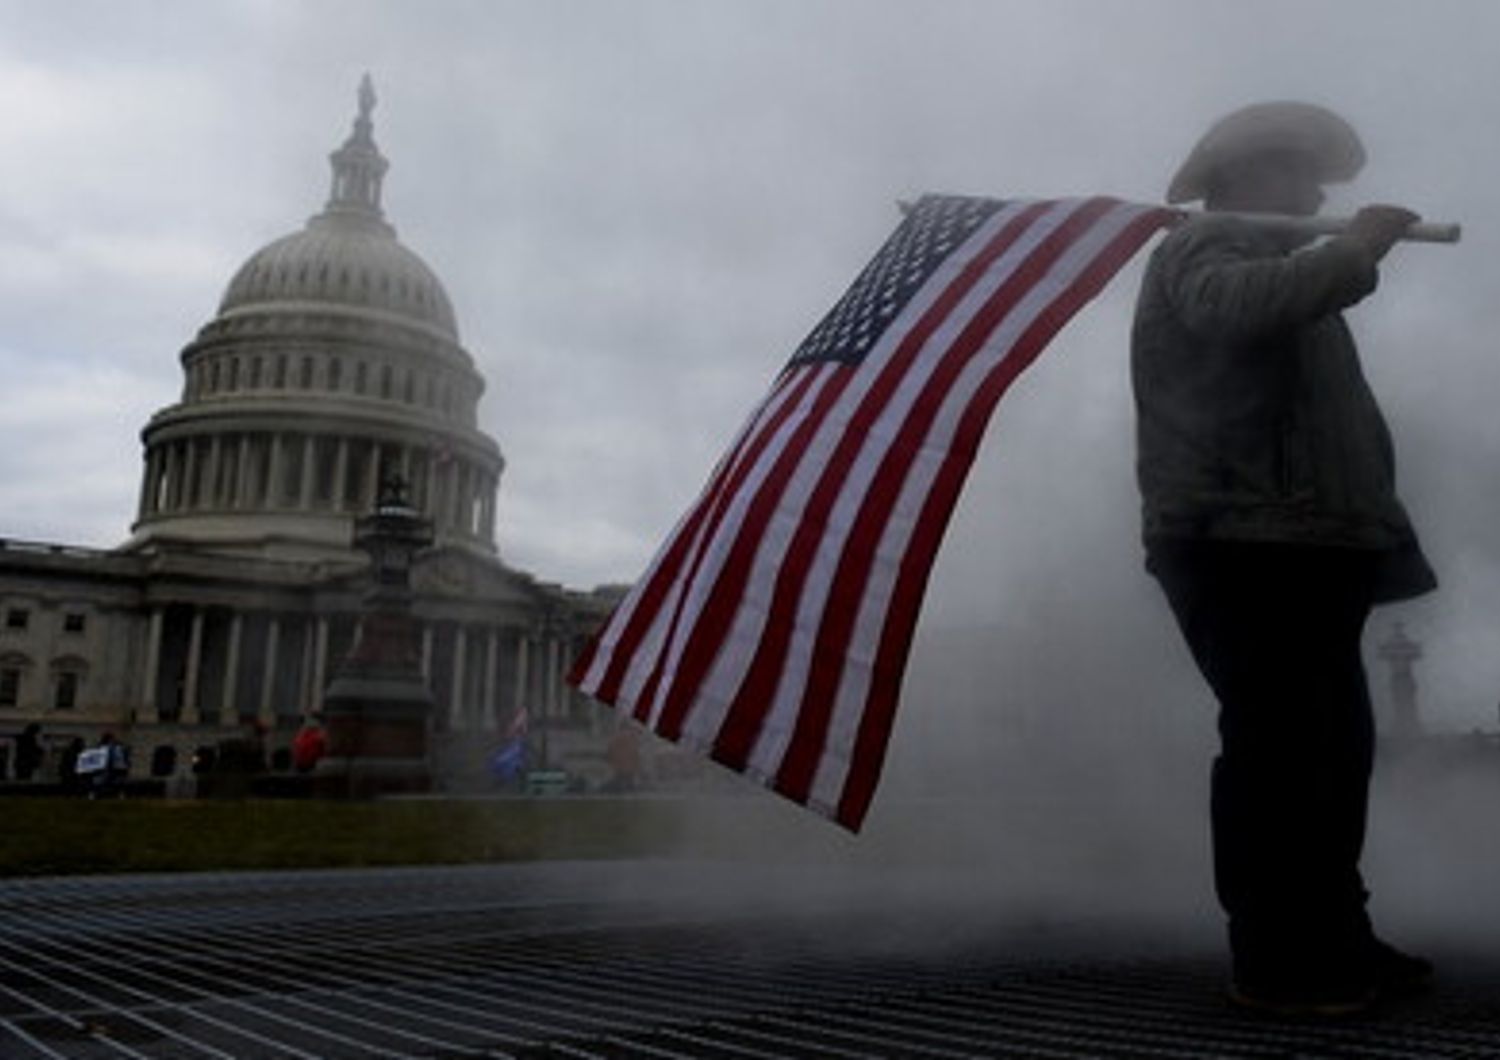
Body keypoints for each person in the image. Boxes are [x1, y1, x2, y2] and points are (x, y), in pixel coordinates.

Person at [1133, 102, 1438, 1016]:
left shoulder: (1282, 266)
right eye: (1297, 173)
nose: (1314, 194)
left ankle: (1335, 935)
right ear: (1242, 175)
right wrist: (1355, 253)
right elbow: (1231, 315)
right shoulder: (1208, 246)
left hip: (1308, 543)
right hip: (1238, 540)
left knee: (1333, 751)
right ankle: (1276, 957)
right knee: (1276, 749)